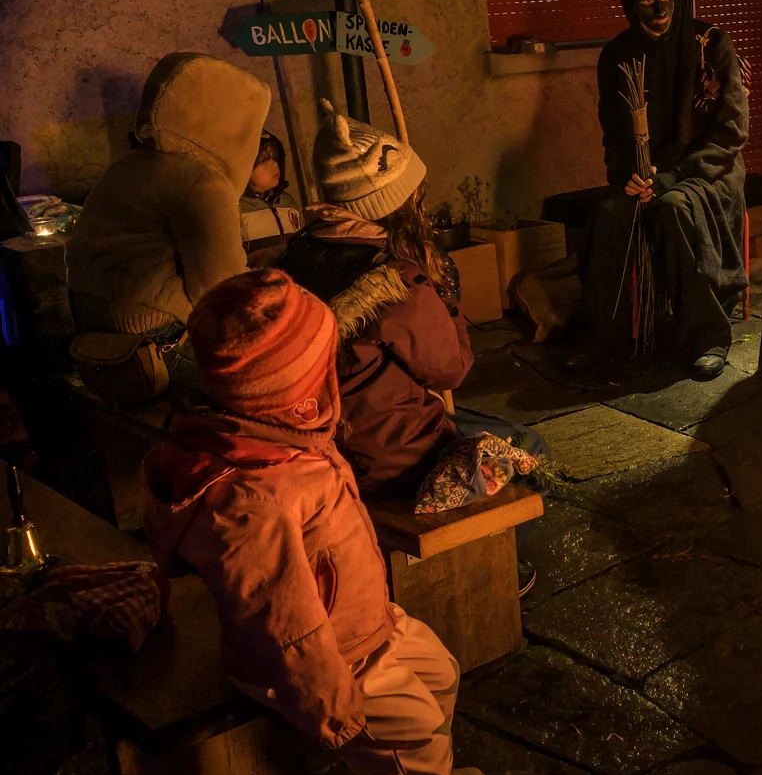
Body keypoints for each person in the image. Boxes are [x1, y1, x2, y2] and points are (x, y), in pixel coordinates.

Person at [141, 270, 495, 775]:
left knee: (439, 673)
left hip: (363, 624)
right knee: (407, 735)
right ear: (289, 387)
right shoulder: (254, 498)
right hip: (327, 658)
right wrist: (328, 697)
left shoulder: (278, 437)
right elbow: (277, 617)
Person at [279, 101, 474, 501]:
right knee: (530, 448)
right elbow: (450, 371)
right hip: (390, 462)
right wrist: (447, 302)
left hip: (317, 447)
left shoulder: (296, 257)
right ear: (395, 207)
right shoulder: (395, 282)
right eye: (415, 197)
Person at [582, 0, 749, 381]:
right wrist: (630, 177)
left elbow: (730, 131)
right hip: (646, 174)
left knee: (673, 209)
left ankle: (707, 335)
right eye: (646, 0)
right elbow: (614, 136)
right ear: (628, 5)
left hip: (709, 170)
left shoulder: (709, 44)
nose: (659, 9)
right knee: (607, 216)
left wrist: (674, 175)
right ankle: (611, 339)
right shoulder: (617, 57)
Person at [68, 52, 270, 339]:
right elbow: (220, 290)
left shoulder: (132, 163)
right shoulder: (202, 181)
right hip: (153, 327)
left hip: (89, 315)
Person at [239, 129, 304, 258]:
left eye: (275, 158)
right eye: (263, 161)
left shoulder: (287, 202)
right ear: (244, 169)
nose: (274, 164)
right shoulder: (238, 209)